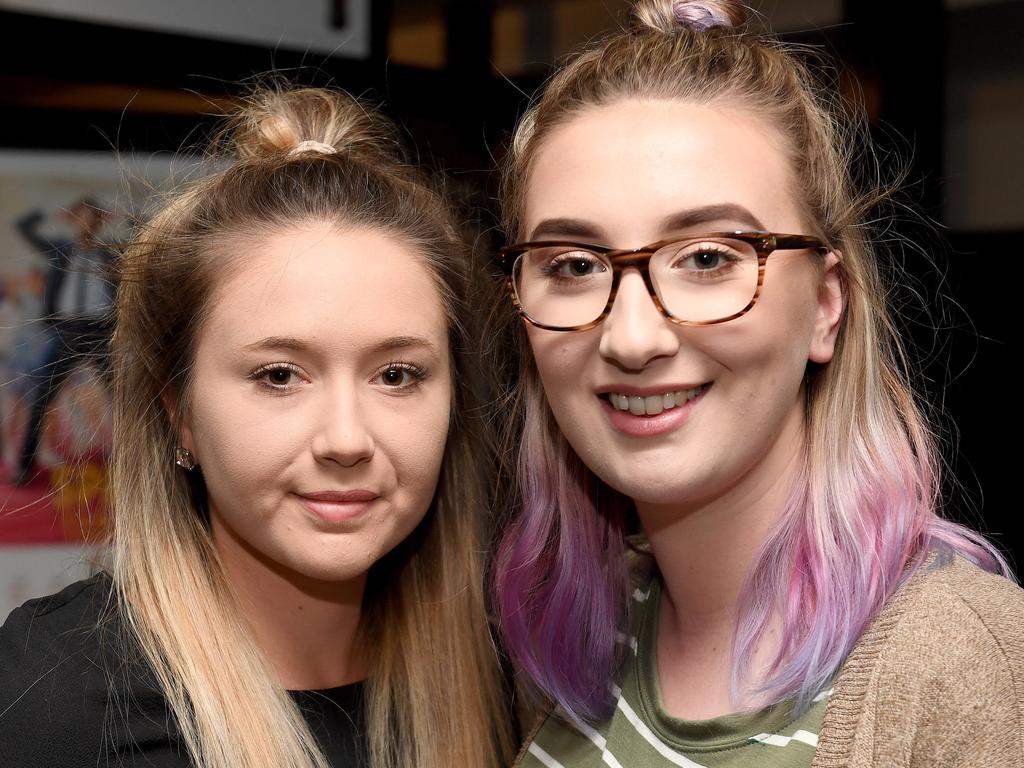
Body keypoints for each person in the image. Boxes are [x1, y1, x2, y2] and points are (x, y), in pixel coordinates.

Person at [488, 2, 1024, 766]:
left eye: (708, 258)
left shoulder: (964, 665)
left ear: (826, 307)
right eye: (573, 265)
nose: (632, 338)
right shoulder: (576, 635)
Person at [0, 87, 514, 768]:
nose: (346, 439)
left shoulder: (510, 674)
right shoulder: (50, 700)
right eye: (279, 374)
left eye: (396, 375)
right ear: (178, 413)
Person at [11, 198, 117, 485]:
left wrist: (121, 216)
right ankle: (24, 467)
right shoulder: (61, 250)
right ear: (73, 219)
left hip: (101, 331)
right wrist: (52, 211)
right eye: (82, 217)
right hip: (67, 330)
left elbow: (145, 234)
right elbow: (23, 227)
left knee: (123, 401)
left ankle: (131, 466)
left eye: (93, 218)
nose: (87, 223)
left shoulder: (110, 253)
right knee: (41, 396)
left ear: (100, 222)